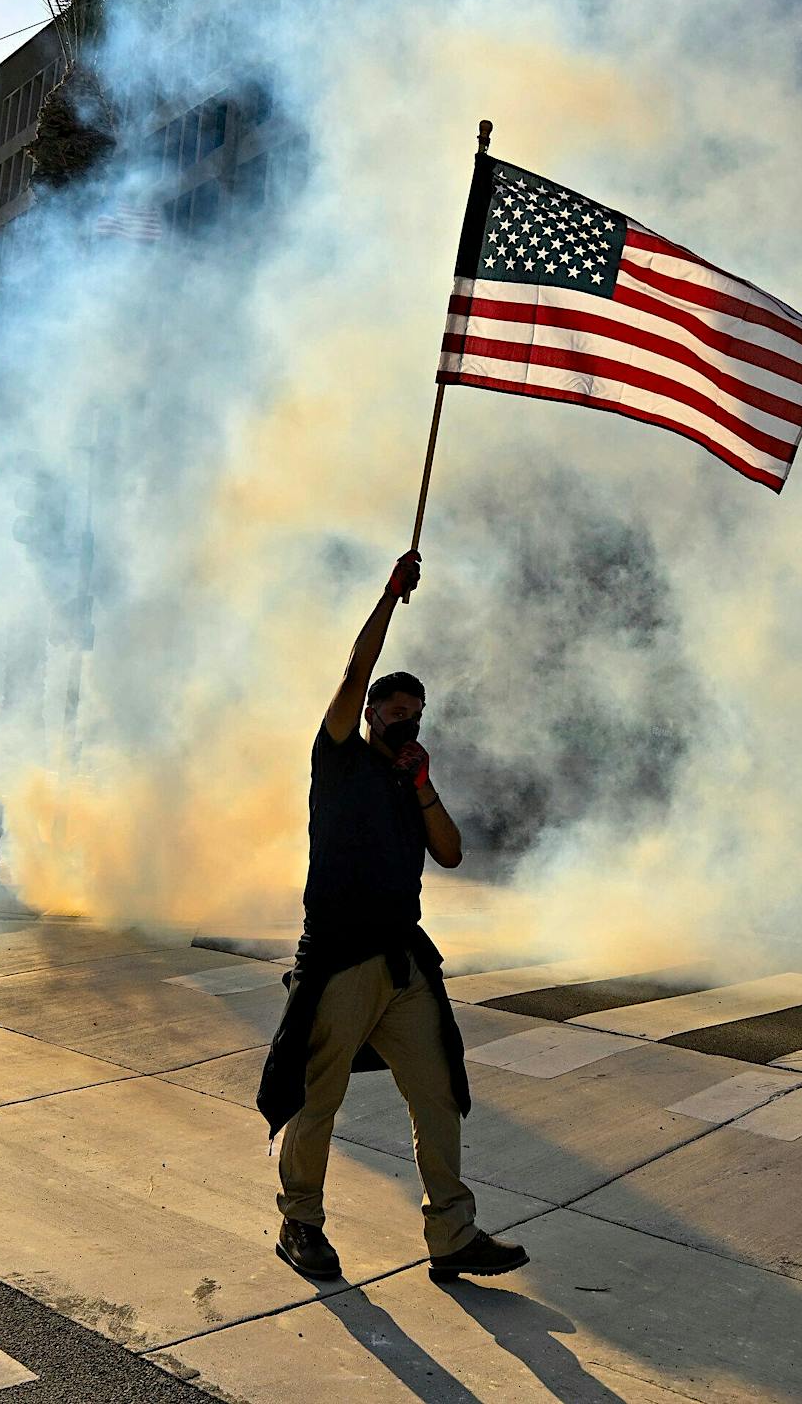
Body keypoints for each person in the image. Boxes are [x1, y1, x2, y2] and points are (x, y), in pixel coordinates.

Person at [257, 548, 529, 1285]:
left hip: (402, 962)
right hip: (340, 957)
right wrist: (388, 595)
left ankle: (452, 1233)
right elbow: (355, 670)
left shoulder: (411, 781)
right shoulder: (339, 757)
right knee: (318, 1096)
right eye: (394, 710)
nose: (405, 720)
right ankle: (300, 1222)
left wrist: (424, 785)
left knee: (438, 1092)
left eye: (415, 712)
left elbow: (451, 853)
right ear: (371, 714)